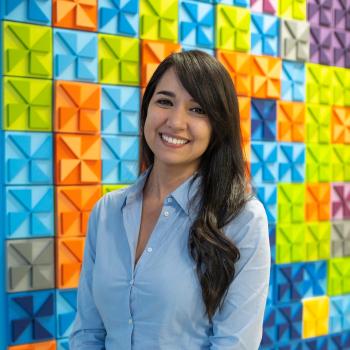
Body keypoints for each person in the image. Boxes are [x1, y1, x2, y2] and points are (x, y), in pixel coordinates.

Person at [69, 50, 270, 350]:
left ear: (218, 125)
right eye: (165, 101)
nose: (175, 122)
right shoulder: (107, 212)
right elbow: (88, 333)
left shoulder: (242, 219)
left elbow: (234, 344)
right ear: (146, 109)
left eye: (198, 110)